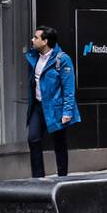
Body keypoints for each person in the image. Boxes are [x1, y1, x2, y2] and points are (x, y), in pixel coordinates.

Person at [24, 25, 79, 178]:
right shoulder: (33, 56)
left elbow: (68, 88)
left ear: (45, 41)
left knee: (59, 143)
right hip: (37, 106)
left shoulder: (62, 59)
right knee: (33, 138)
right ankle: (38, 177)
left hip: (55, 108)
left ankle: (62, 176)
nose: (32, 40)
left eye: (36, 37)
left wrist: (67, 111)